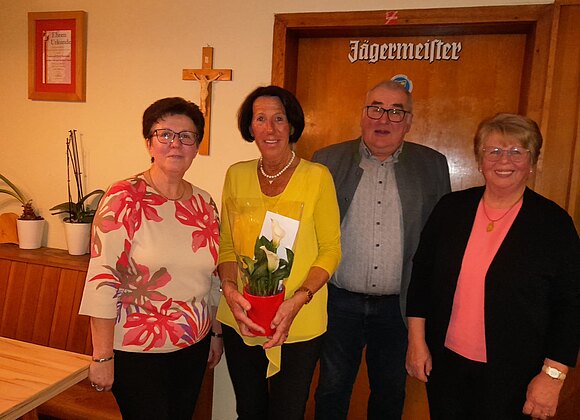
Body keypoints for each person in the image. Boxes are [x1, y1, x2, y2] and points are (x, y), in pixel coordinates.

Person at [406, 113, 580, 420]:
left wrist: (553, 375)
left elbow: (571, 305)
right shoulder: (451, 209)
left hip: (516, 373)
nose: (504, 160)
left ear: (532, 161)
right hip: (446, 365)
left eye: (516, 151)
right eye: (494, 151)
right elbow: (421, 279)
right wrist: (416, 342)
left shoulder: (553, 224)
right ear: (480, 160)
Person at [313, 80, 451, 420]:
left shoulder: (432, 164)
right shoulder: (326, 161)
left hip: (398, 308)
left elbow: (441, 241)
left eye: (395, 111)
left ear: (409, 121)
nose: (384, 119)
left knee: (390, 393)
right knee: (331, 390)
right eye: (375, 108)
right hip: (338, 302)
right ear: (362, 115)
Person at [79, 97, 222, 419]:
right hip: (137, 348)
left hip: (194, 343)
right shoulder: (124, 197)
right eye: (165, 134)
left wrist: (215, 332)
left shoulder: (204, 203)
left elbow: (211, 278)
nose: (176, 144)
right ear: (149, 143)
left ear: (197, 146)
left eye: (186, 136)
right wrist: (102, 356)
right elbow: (103, 278)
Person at [217, 85, 341, 420]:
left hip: (298, 318)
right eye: (260, 119)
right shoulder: (236, 174)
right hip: (242, 316)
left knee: (288, 412)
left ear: (292, 125)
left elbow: (331, 250)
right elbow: (226, 245)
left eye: (279, 118)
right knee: (249, 410)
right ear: (250, 126)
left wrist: (299, 298)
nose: (270, 129)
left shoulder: (317, 177)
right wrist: (229, 290)